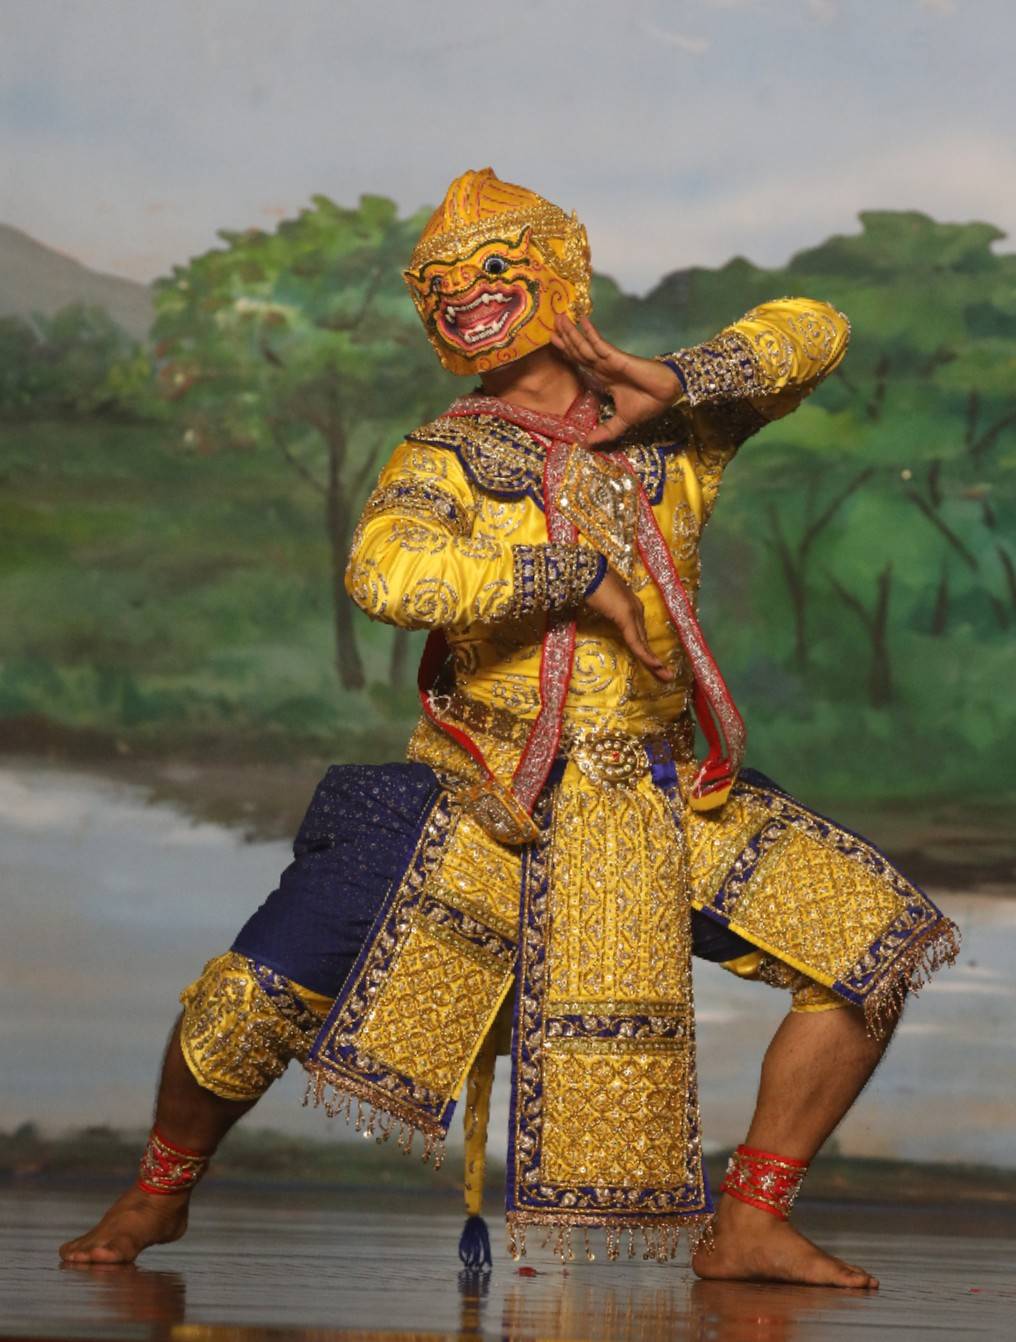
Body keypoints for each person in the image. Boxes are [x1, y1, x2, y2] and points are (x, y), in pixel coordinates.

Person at [60, 168, 958, 1286]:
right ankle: (157, 1192)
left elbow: (814, 329)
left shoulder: (671, 426)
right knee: (246, 1002)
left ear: (557, 270)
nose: (463, 296)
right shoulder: (445, 455)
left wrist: (673, 375)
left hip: (654, 797)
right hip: (481, 803)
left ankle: (749, 1219)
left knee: (872, 948)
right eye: (439, 285)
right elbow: (384, 570)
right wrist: (571, 575)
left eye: (490, 269)